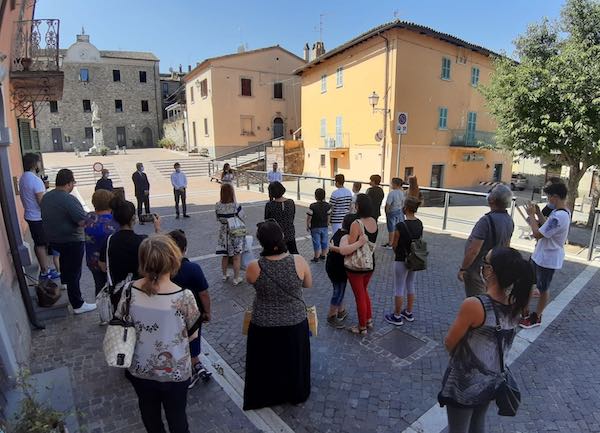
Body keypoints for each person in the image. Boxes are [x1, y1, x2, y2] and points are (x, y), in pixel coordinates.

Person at [438, 247, 534, 433]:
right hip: (491, 380)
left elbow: (450, 342)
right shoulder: (516, 304)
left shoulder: (475, 305)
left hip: (465, 382)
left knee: (458, 429)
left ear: (491, 271)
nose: (482, 266)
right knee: (477, 424)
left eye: (485, 262)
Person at [117, 234, 200, 433]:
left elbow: (121, 322)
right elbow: (193, 334)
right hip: (175, 370)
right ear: (173, 259)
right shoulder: (183, 296)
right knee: (177, 417)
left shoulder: (129, 291)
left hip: (140, 368)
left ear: (143, 261)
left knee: (149, 413)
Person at [243, 220, 312, 410]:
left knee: (267, 362)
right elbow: (307, 285)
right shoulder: (298, 261)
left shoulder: (253, 266)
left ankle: (268, 393)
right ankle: (295, 392)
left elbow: (250, 282)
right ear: (282, 237)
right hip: (295, 320)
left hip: (264, 322)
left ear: (261, 242)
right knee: (293, 360)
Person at [40, 169, 96, 314]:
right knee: (74, 272)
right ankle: (77, 304)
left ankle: (65, 285)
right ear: (69, 183)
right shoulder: (68, 199)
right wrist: (92, 217)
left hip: (54, 239)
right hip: (71, 240)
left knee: (65, 266)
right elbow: (82, 221)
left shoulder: (47, 197)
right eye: (73, 182)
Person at [519, 182, 570, 329]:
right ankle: (525, 311)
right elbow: (546, 225)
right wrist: (539, 214)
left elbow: (537, 234)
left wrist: (530, 217)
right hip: (540, 255)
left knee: (543, 288)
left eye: (548, 197)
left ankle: (537, 317)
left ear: (554, 197)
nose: (548, 200)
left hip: (547, 259)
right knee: (529, 282)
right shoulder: (561, 212)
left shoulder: (559, 216)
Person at [99, 197, 161, 308]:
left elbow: (103, 266)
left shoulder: (109, 240)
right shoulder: (142, 241)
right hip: (140, 292)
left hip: (118, 294)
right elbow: (156, 261)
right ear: (134, 218)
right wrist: (157, 229)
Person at [169, 230, 211, 389]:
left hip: (169, 314)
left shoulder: (161, 268)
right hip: (191, 315)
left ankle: (191, 363)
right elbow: (204, 293)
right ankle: (192, 366)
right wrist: (207, 312)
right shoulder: (192, 268)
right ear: (184, 249)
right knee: (193, 338)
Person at [458, 184, 514, 297]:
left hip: (478, 269)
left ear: (492, 199)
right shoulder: (509, 220)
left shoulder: (486, 221)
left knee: (477, 301)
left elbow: (474, 249)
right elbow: (506, 246)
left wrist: (463, 268)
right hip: (494, 269)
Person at [384, 197, 423, 326]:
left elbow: (394, 244)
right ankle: (409, 312)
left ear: (405, 208)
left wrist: (397, 252)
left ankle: (396, 315)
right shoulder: (420, 223)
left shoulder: (400, 225)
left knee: (399, 288)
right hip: (415, 258)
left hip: (401, 258)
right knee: (411, 285)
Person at [19, 153, 58, 280]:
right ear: (35, 164)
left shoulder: (24, 177)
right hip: (37, 217)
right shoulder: (35, 180)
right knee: (41, 244)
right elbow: (42, 202)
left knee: (38, 243)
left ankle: (44, 268)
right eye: (39, 162)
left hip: (30, 215)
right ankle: (45, 271)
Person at [343, 194, 378, 335]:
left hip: (356, 265)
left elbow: (351, 244)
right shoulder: (374, 221)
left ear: (358, 206)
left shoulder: (356, 224)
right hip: (370, 263)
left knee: (359, 296)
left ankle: (362, 327)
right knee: (364, 291)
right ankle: (368, 319)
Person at [326, 213, 366, 328]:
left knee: (339, 289)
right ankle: (331, 316)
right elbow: (344, 250)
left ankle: (341, 310)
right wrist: (359, 243)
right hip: (338, 268)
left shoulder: (338, 232)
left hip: (332, 266)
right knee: (338, 291)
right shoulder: (345, 236)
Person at [84, 189, 118, 296]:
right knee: (114, 287)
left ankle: (101, 307)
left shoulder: (89, 218)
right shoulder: (114, 221)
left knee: (99, 286)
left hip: (92, 261)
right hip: (110, 262)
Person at [215, 183, 244, 285]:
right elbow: (243, 216)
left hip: (223, 232)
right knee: (237, 255)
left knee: (224, 255)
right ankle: (236, 278)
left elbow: (218, 218)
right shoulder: (236, 205)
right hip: (235, 232)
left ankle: (224, 274)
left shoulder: (217, 205)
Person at [265, 181, 298, 254]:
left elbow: (267, 221)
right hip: (290, 232)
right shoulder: (291, 202)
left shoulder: (270, 205)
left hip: (276, 235)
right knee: (294, 253)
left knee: (277, 256)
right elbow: (292, 216)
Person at [306, 188, 331, 262]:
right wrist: (328, 223)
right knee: (324, 241)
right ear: (324, 196)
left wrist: (307, 225)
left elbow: (309, 217)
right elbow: (328, 216)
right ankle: (323, 255)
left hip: (315, 227)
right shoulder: (328, 206)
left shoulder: (312, 206)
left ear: (315, 196)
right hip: (324, 226)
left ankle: (316, 257)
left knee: (316, 242)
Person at [383, 177, 406, 248]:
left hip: (392, 212)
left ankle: (390, 243)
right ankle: (395, 242)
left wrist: (387, 212)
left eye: (392, 183)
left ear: (395, 184)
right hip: (399, 211)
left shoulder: (392, 193)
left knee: (391, 229)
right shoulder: (402, 193)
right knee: (397, 228)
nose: (391, 185)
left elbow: (388, 204)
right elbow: (403, 203)